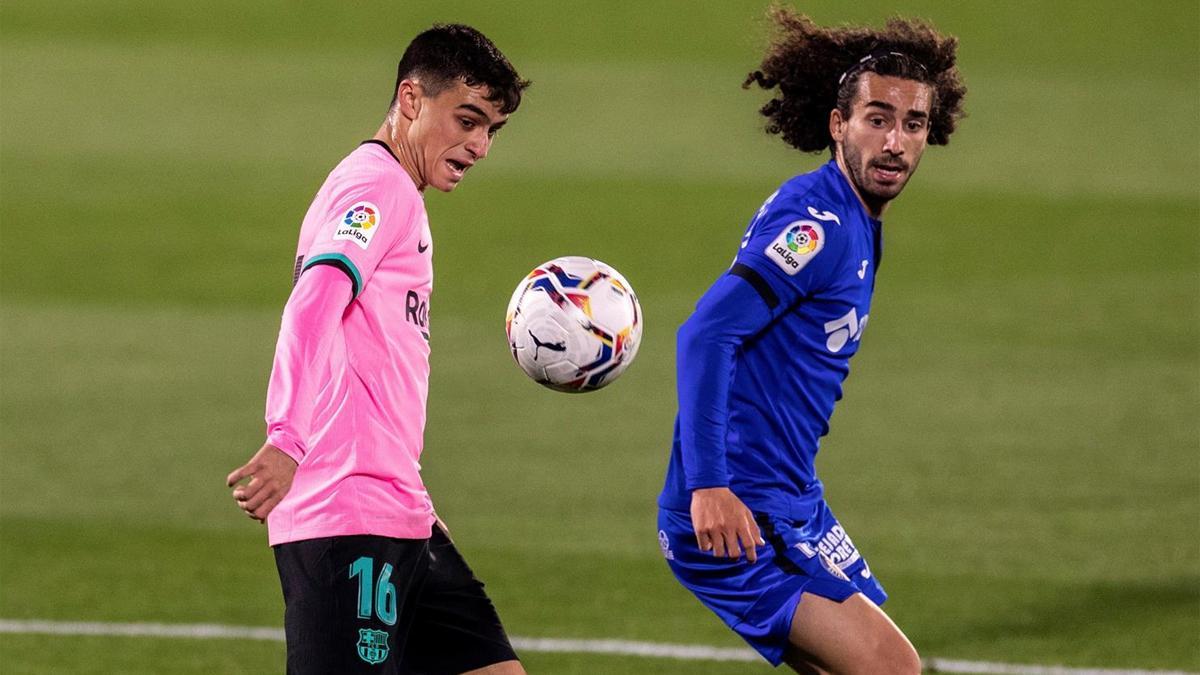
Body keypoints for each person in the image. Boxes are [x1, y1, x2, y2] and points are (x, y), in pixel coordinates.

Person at [657, 10, 966, 673]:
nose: (895, 142)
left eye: (913, 124)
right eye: (877, 119)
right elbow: (706, 333)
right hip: (741, 504)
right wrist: (708, 484)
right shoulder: (819, 226)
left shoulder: (852, 214)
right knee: (892, 666)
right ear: (838, 124)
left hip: (791, 493)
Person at [225, 24, 530, 674]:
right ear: (412, 99)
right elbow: (315, 298)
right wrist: (286, 435)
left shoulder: (395, 192)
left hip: (400, 512)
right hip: (346, 518)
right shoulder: (378, 187)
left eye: (491, 130)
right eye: (468, 120)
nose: (479, 145)